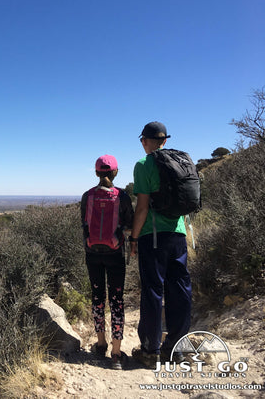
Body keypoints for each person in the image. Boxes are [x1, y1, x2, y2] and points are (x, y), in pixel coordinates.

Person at [129, 121, 192, 367]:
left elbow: (142, 207)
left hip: (153, 237)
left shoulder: (144, 165)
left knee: (153, 291)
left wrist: (134, 238)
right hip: (178, 234)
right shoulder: (182, 162)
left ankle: (150, 349)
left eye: (143, 140)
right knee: (180, 290)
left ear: (145, 141)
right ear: (165, 141)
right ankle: (176, 348)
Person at [81, 154, 133, 370]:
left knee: (97, 296)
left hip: (93, 254)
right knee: (117, 299)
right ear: (115, 172)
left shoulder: (87, 196)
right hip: (115, 254)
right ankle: (116, 352)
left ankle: (101, 343)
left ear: (96, 173)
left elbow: (84, 225)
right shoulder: (122, 196)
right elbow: (129, 224)